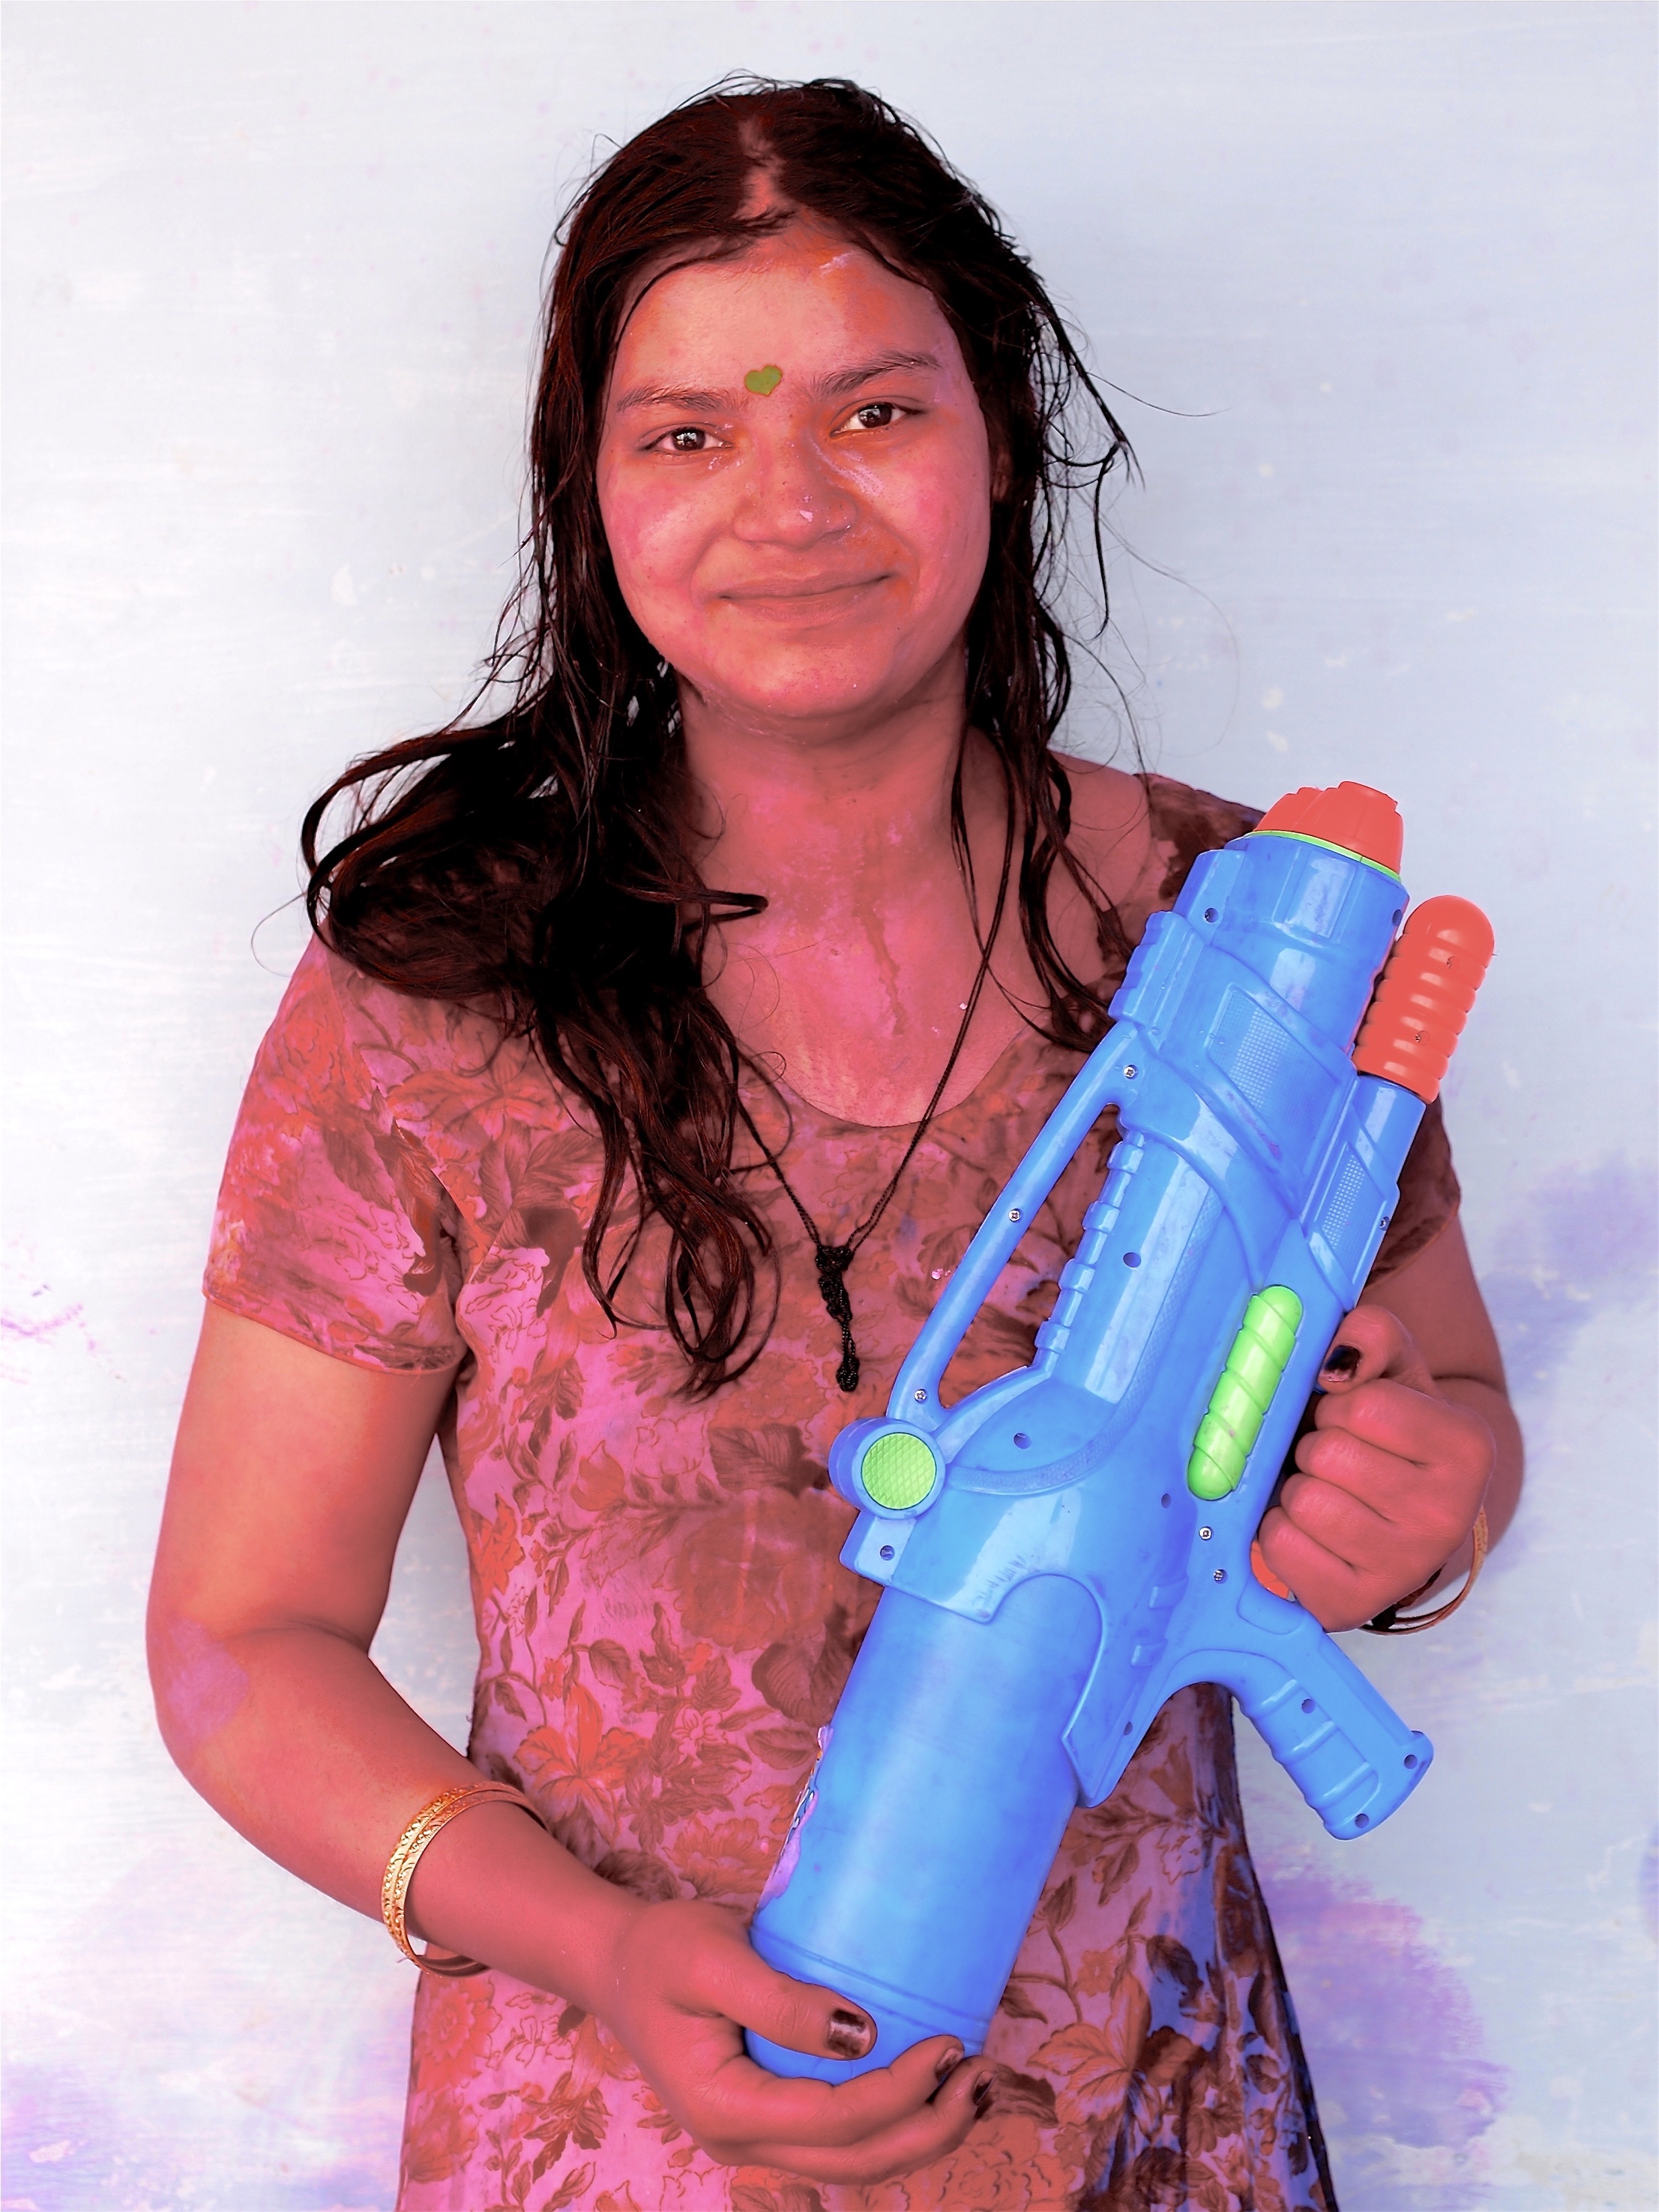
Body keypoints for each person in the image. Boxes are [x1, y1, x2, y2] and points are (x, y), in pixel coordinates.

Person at [148, 78, 1522, 2212]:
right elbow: (243, 1640)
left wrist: (1416, 1510)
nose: (786, 503)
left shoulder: (1256, 943)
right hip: (602, 2143)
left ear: (1006, 438)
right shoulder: (437, 996)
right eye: (686, 434)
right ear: (588, 490)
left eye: (875, 411)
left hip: (1157, 2133)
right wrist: (598, 1948)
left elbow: (1449, 1421)